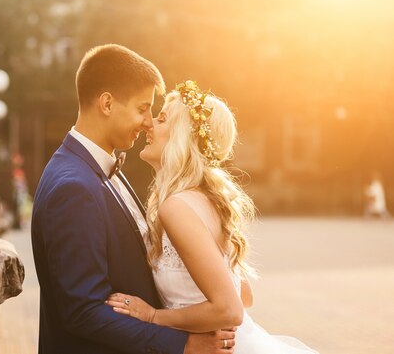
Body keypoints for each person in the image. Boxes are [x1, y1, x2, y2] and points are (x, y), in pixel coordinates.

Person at [32, 47, 236, 354]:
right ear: (107, 103)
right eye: (143, 109)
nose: (148, 123)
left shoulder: (103, 170)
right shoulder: (73, 187)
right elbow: (82, 312)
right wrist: (184, 345)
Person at [106, 81, 319, 354]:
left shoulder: (177, 207)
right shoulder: (207, 200)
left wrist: (154, 317)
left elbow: (230, 309)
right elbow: (244, 295)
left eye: (162, 119)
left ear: (182, 137)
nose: (150, 125)